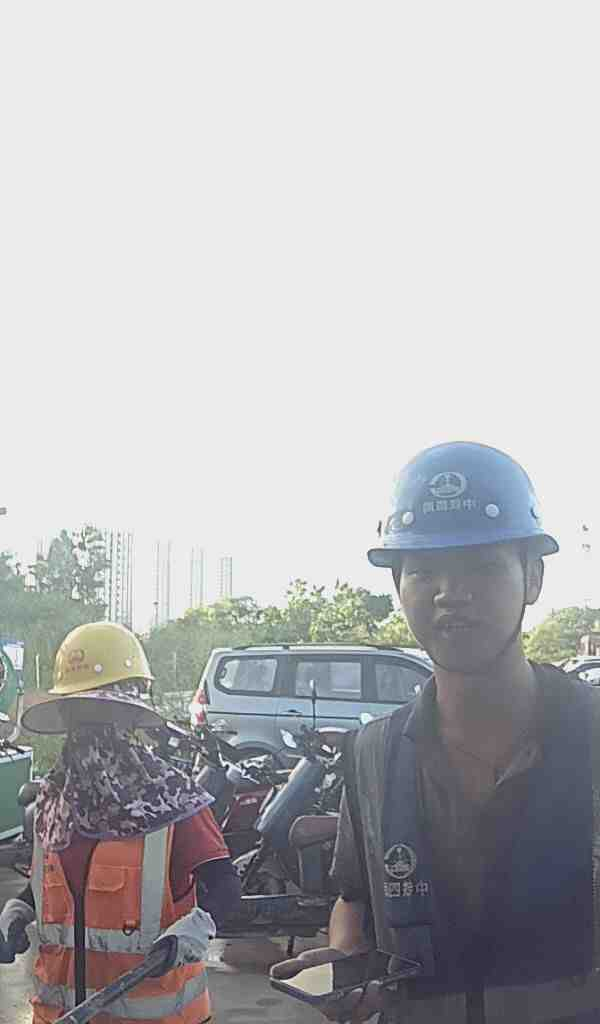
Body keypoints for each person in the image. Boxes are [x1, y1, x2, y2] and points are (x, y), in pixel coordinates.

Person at [272, 441, 600, 1023]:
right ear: (398, 586)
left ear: (533, 578)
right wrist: (347, 956)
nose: (451, 593)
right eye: (424, 571)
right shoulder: (371, 754)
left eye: (481, 566)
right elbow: (355, 898)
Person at [0, 621, 241, 1024]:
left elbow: (225, 887)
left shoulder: (172, 801)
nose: (91, 732)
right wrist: (19, 909)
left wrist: (197, 927)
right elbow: (54, 886)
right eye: (81, 715)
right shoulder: (54, 801)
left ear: (129, 717)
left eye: (104, 715)